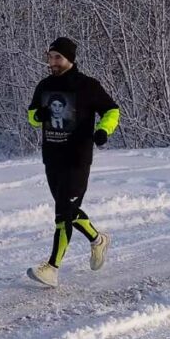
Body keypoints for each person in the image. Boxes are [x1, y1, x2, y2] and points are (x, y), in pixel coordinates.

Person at [25, 36, 120, 287]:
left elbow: (112, 110)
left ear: (69, 59)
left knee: (63, 213)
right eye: (50, 57)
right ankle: (98, 240)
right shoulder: (44, 85)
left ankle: (52, 268)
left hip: (77, 158)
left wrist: (103, 130)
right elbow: (32, 116)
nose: (52, 62)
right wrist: (39, 115)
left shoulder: (87, 86)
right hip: (52, 157)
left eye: (58, 57)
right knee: (67, 209)